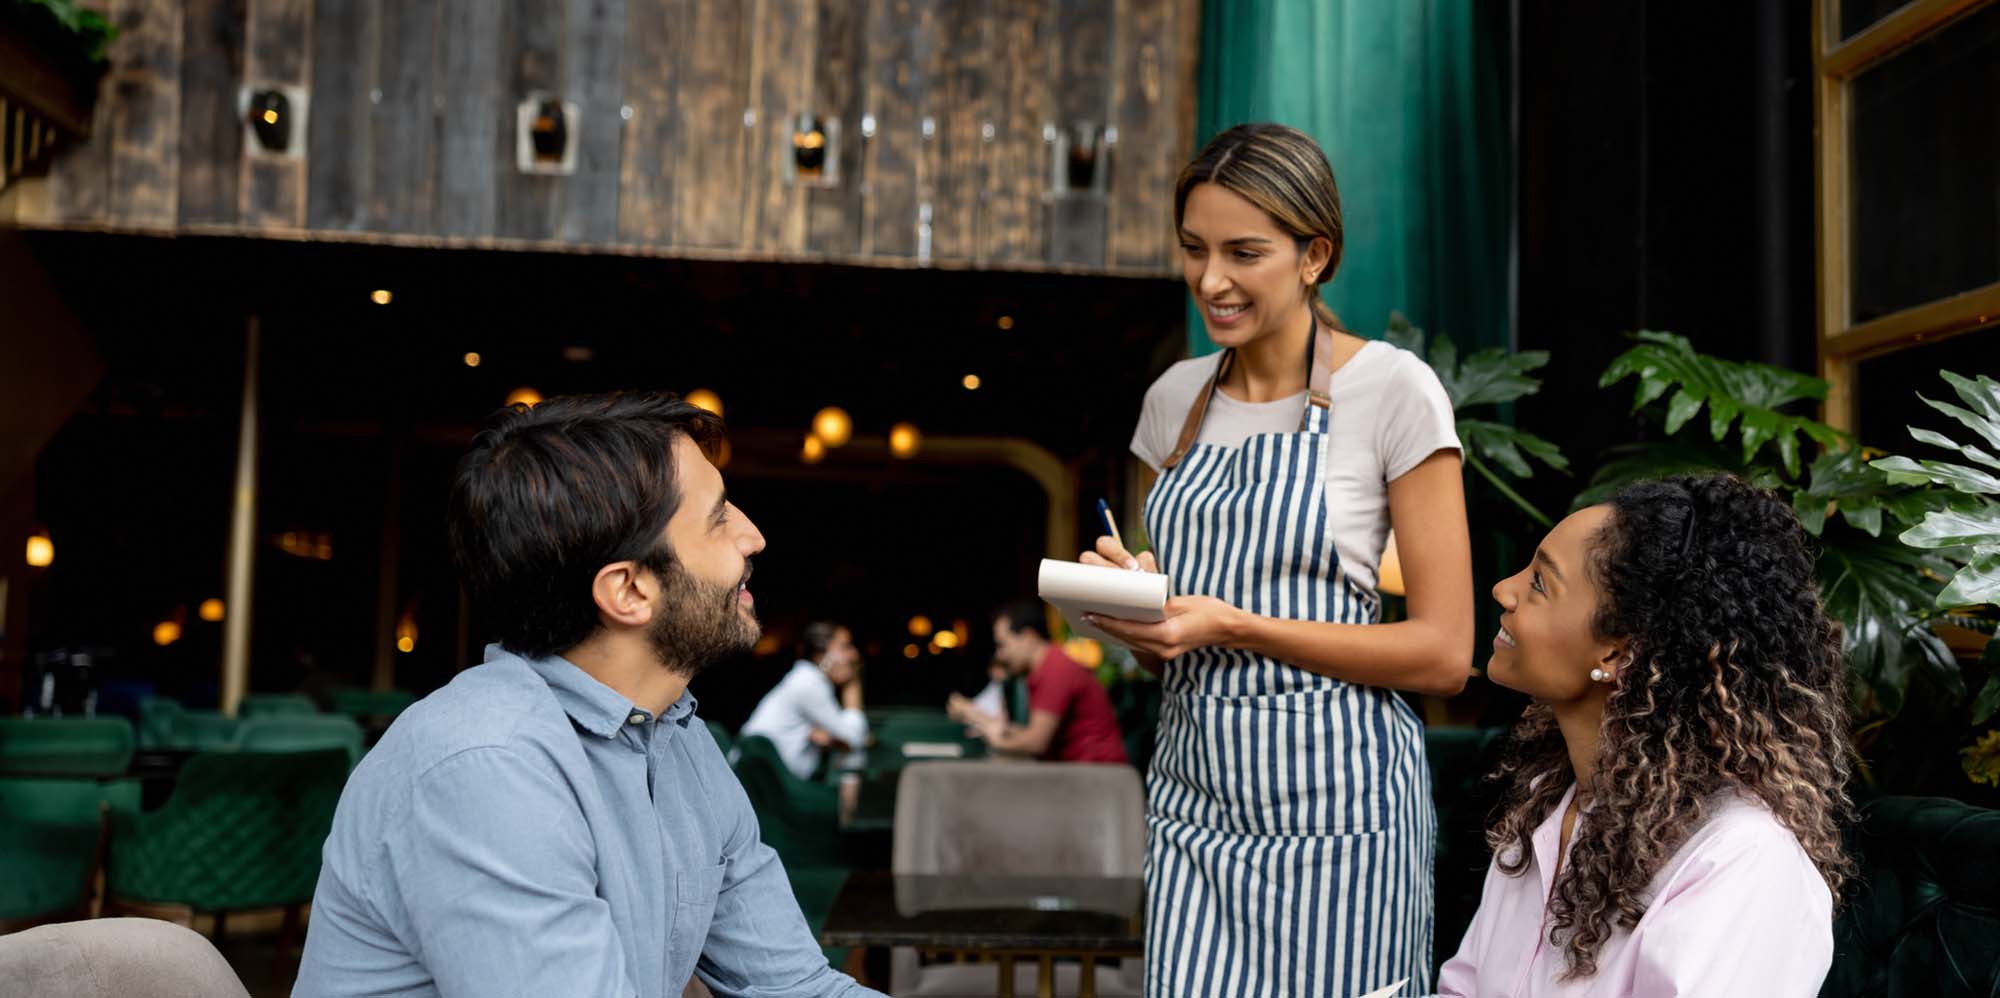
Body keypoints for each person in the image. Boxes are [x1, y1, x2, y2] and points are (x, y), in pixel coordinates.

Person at [294, 392, 884, 998]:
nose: (753, 537)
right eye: (718, 516)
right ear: (628, 591)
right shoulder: (487, 766)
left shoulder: (675, 734)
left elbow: (797, 987)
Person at [1083, 122, 1475, 996]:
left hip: (1342, 820)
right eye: (1193, 249)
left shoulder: (1392, 392)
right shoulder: (1173, 400)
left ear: (1314, 255)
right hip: (1194, 811)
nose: (1210, 281)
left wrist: (1233, 623)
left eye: (1243, 252)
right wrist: (1141, 615)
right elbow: (1172, 632)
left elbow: (1446, 653)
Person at [1436, 474, 1851, 996]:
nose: (1504, 589)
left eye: (1540, 582)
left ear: (1614, 655)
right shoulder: (1550, 811)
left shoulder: (1741, 859)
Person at [946, 600, 1126, 764]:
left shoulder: (1055, 669)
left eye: (1003, 645)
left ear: (1028, 637)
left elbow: (1036, 742)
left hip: (1100, 779)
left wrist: (996, 740)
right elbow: (1037, 734)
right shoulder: (1046, 667)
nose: (1000, 655)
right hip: (1083, 774)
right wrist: (980, 718)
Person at [739, 620, 869, 779]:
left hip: (766, 778)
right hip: (765, 785)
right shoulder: (808, 684)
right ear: (820, 655)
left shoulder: (804, 679)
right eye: (845, 647)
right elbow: (854, 738)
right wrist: (852, 686)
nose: (854, 655)